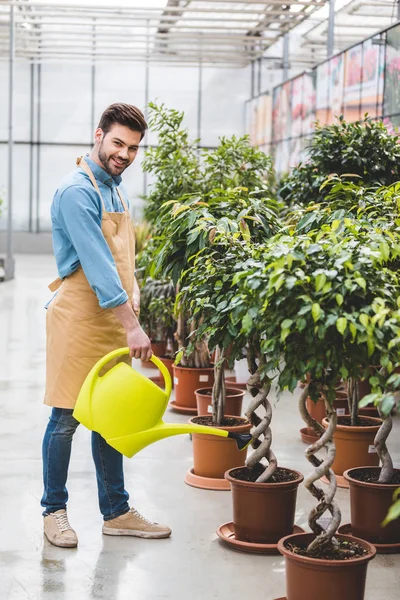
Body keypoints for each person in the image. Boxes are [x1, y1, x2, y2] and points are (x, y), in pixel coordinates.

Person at [41, 103, 171, 548]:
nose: (125, 154)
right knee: (65, 418)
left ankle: (116, 512)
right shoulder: (78, 191)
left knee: (111, 417)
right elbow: (98, 269)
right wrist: (133, 326)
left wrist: (131, 308)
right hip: (80, 318)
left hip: (111, 321)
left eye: (133, 147)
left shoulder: (115, 190)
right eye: (118, 143)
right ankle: (53, 511)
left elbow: (124, 264)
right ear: (98, 135)